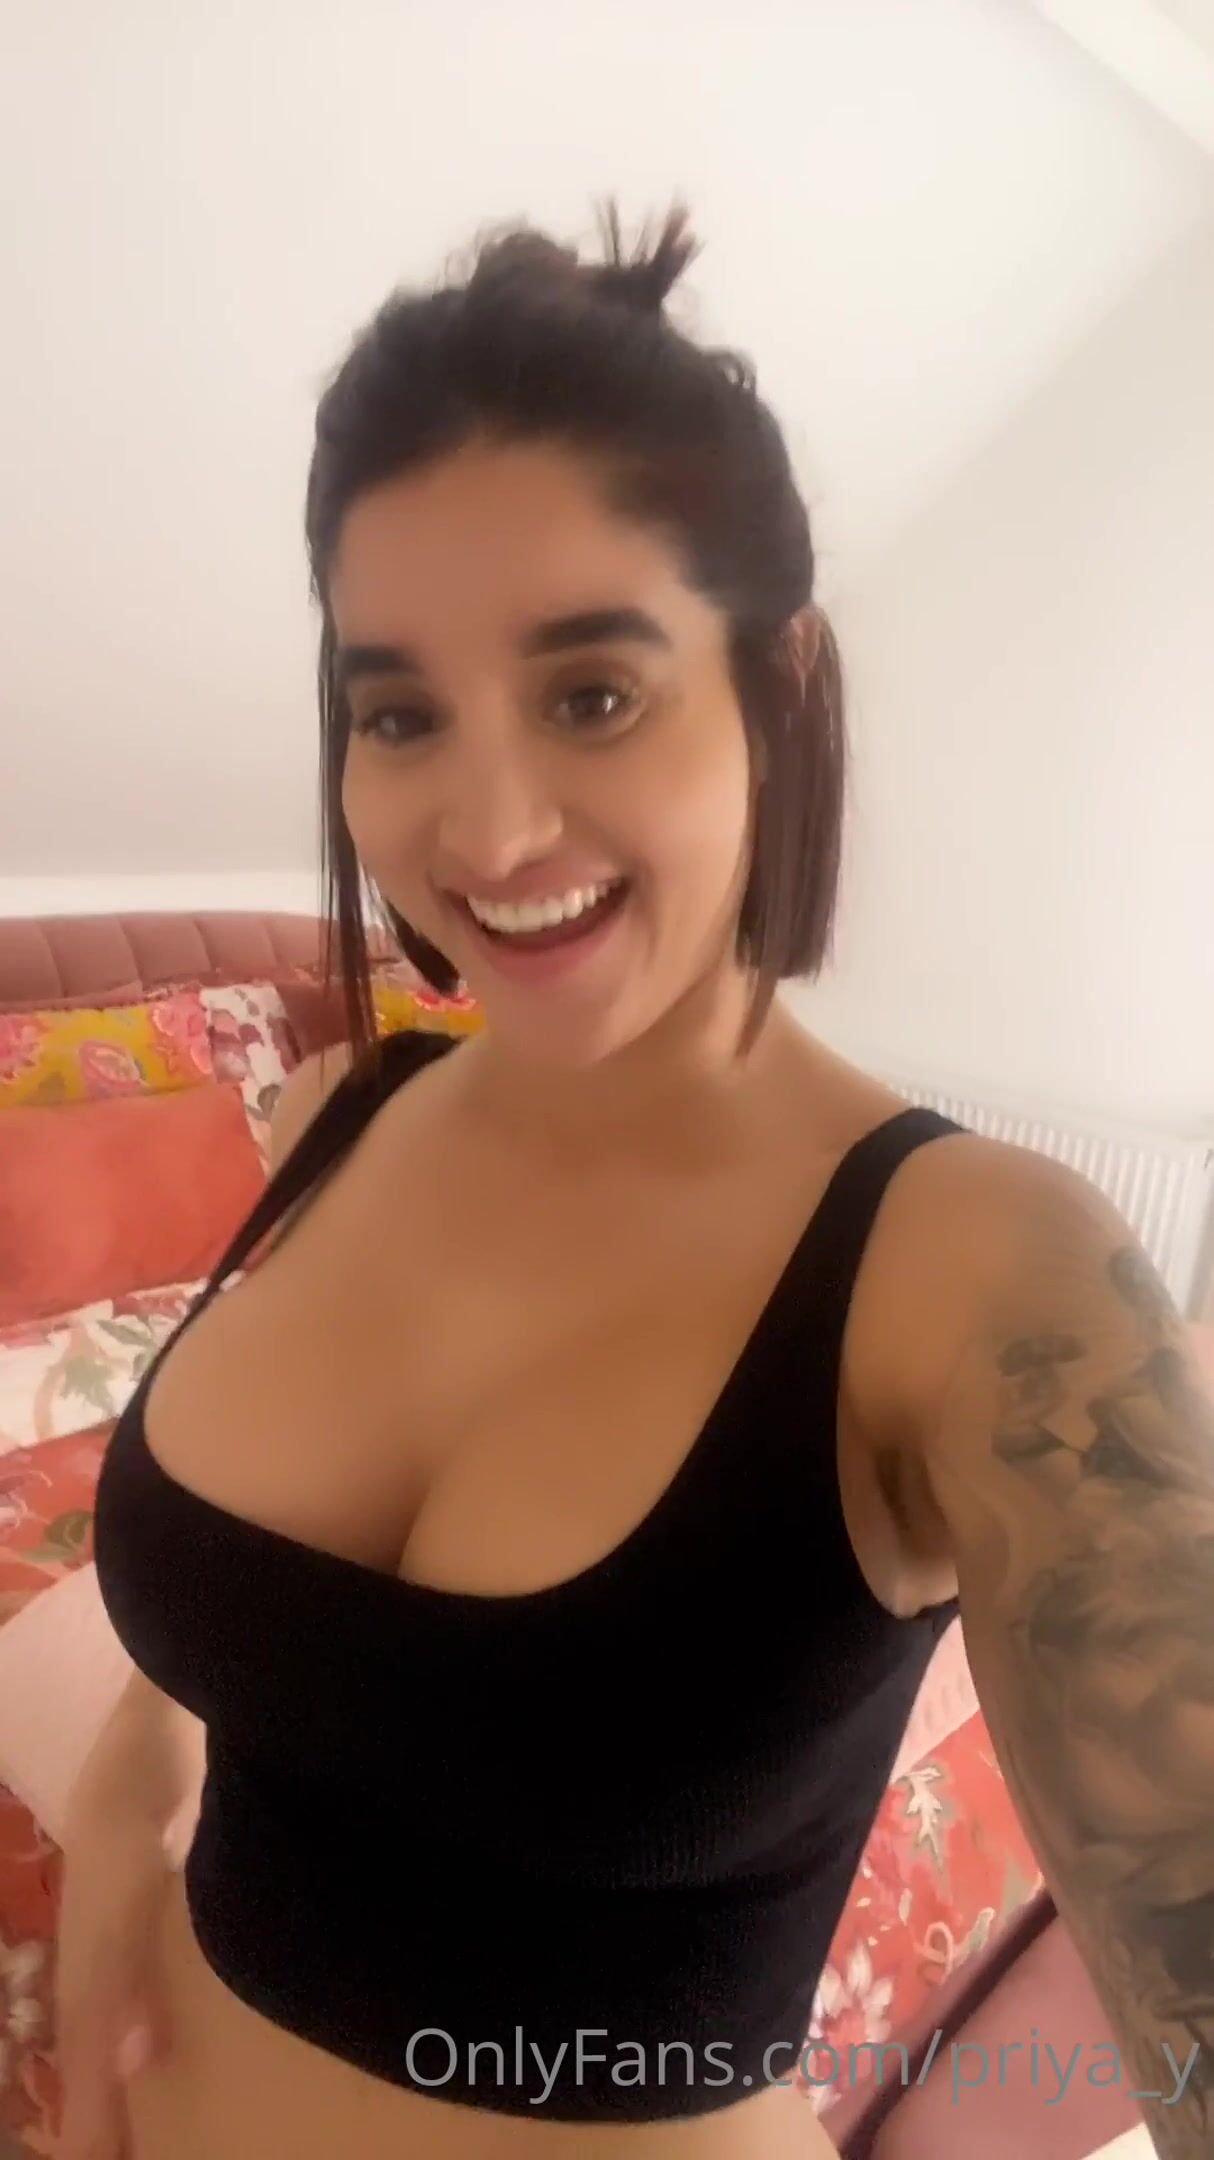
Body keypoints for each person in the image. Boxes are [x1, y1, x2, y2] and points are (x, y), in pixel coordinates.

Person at [56, 209, 1214, 2160]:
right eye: (398, 712)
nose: (489, 826)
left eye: (593, 693)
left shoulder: (982, 1283)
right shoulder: (336, 1116)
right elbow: (264, 1638)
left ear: (774, 684)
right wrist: (121, 1806)